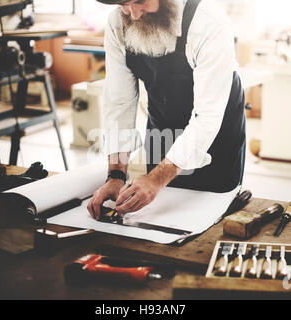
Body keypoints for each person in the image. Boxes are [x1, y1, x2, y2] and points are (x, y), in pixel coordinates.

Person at [87, 0, 246, 221]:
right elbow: (119, 103)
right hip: (163, 124)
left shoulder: (208, 21)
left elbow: (207, 117)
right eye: (124, 4)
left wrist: (155, 180)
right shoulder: (117, 23)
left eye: (140, 1)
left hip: (215, 134)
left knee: (210, 215)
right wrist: (116, 174)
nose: (133, 14)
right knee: (159, 214)